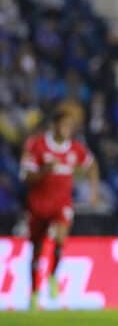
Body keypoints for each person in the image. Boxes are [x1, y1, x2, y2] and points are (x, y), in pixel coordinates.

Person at [19, 108, 99, 310]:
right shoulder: (37, 145)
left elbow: (92, 165)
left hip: (61, 204)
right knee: (37, 251)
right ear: (54, 125)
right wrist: (44, 170)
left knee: (61, 238)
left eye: (70, 126)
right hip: (38, 205)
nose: (67, 129)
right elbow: (26, 177)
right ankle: (35, 293)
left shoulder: (76, 149)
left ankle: (53, 275)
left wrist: (93, 191)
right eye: (64, 125)